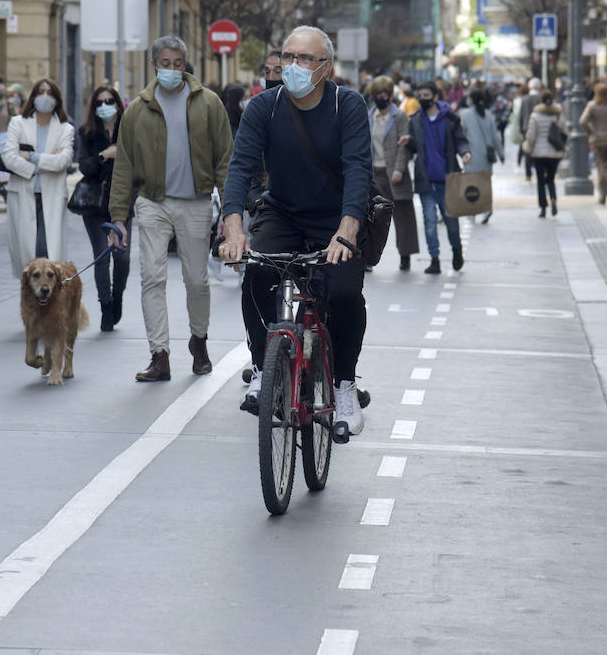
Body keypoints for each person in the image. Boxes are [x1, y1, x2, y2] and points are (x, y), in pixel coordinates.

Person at [220, 26, 372, 437]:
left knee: (342, 293)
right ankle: (261, 365)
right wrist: (234, 226)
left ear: (326, 67)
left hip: (335, 217)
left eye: (305, 59)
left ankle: (343, 385)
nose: (294, 67)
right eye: (288, 57)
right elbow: (240, 168)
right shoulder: (262, 108)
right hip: (282, 213)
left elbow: (359, 168)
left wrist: (347, 229)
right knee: (257, 273)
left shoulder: (348, 106)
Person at [107, 36, 233, 382]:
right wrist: (118, 217)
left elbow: (225, 158)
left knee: (197, 280)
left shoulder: (209, 104)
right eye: (166, 63)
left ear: (185, 64)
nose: (172, 70)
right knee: (152, 277)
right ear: (154, 66)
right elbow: (124, 166)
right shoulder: (137, 110)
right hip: (152, 203)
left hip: (195, 203)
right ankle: (159, 355)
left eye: (178, 63)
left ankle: (199, 340)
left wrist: (230, 211)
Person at [0, 78, 75, 276]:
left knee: (47, 253)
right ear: (33, 97)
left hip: (51, 196)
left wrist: (33, 157)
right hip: (23, 194)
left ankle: (49, 301)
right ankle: (32, 303)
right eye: (40, 92)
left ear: (57, 100)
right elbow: (8, 156)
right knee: (28, 258)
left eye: (50, 93)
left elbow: (63, 161)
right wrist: (38, 167)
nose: (45, 97)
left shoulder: (65, 129)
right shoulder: (18, 123)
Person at [75, 85, 131, 331]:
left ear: (118, 103)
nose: (104, 106)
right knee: (101, 256)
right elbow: (84, 167)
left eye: (109, 100)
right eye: (99, 102)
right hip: (94, 203)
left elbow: (138, 164)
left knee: (123, 257)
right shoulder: (87, 132)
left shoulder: (129, 130)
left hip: (121, 201)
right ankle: (105, 306)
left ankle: (117, 295)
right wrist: (104, 155)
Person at [409, 81, 472, 273]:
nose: (422, 99)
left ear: (435, 97)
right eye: (420, 95)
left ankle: (456, 250)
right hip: (425, 180)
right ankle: (434, 259)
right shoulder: (415, 120)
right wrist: (407, 142)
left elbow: (461, 140)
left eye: (426, 95)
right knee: (429, 223)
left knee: (451, 223)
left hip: (448, 180)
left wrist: (465, 153)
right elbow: (413, 146)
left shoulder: (450, 119)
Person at [368, 76, 418, 269]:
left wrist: (399, 170)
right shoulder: (368, 115)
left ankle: (405, 255)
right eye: (378, 95)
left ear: (390, 95)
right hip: (374, 172)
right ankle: (367, 258)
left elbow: (403, 147)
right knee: (372, 217)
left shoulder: (401, 116)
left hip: (396, 173)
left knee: (404, 216)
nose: (382, 98)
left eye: (385, 94)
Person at [458, 87, 503, 223]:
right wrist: (501, 153)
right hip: (486, 155)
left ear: (471, 99)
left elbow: (462, 133)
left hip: (471, 154)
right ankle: (487, 209)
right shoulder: (488, 114)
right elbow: (495, 136)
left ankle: (472, 211)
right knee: (485, 182)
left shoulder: (465, 114)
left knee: (471, 183)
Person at [579, 82, 607, 205]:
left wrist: (591, 130)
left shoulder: (592, 106)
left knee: (600, 168)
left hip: (597, 139)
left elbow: (582, 121)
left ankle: (603, 195)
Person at [524, 88, 567, 217]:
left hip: (539, 153)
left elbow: (531, 136)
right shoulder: (558, 114)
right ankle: (553, 198)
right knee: (551, 179)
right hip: (554, 153)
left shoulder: (535, 115)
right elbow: (565, 132)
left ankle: (543, 207)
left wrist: (528, 148)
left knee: (540, 181)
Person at [518, 78, 543, 180]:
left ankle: (528, 174)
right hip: (539, 128)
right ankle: (539, 172)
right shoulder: (541, 98)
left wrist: (520, 130)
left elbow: (521, 116)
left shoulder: (524, 99)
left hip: (526, 128)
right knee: (539, 150)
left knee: (527, 151)